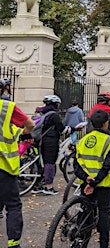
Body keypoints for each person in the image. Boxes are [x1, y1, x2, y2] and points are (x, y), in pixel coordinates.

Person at [74, 110, 110, 248]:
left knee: (86, 210)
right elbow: (106, 166)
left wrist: (86, 179)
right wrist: (94, 182)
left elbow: (76, 164)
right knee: (104, 212)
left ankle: (82, 241)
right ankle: (103, 244)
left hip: (84, 182)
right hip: (102, 184)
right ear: (106, 123)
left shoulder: (82, 140)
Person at [0, 94, 35, 248]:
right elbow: (30, 124)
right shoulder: (6, 107)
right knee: (13, 206)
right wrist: (25, 133)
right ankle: (13, 244)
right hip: (4, 167)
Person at [31, 95, 75, 195]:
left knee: (42, 162)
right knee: (50, 163)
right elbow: (62, 128)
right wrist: (72, 129)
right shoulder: (53, 115)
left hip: (41, 140)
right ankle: (48, 186)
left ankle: (38, 185)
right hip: (50, 141)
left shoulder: (41, 112)